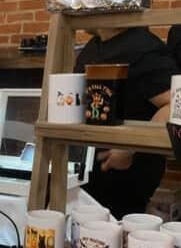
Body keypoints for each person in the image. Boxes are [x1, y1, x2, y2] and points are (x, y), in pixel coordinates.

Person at [74, 27, 175, 219]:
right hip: (87, 172)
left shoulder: (142, 46)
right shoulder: (94, 46)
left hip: (125, 176)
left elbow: (176, 104)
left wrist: (131, 147)